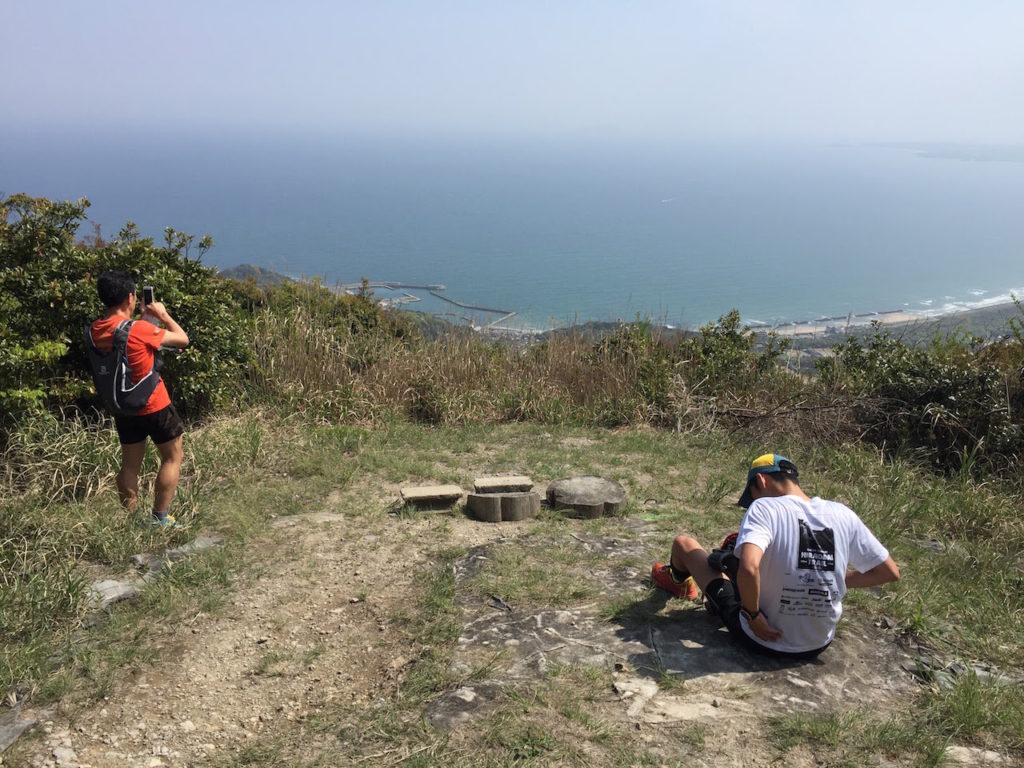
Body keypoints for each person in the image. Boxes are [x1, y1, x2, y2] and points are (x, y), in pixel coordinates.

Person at [651, 453, 900, 659]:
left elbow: (749, 568)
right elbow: (889, 572)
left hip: (764, 639)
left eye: (752, 496)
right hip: (819, 642)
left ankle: (678, 582)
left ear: (761, 480)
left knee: (685, 544)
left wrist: (752, 616)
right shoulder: (842, 514)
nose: (753, 503)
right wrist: (831, 577)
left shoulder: (764, 508)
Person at [90, 271, 190, 526]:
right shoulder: (139, 329)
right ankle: (159, 518)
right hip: (154, 404)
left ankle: (132, 520)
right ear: (130, 297)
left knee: (130, 465)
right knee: (172, 457)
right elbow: (182, 339)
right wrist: (162, 315)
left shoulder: (95, 331)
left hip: (122, 408)